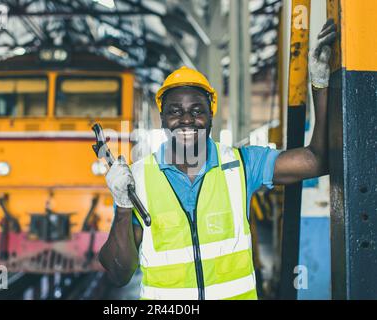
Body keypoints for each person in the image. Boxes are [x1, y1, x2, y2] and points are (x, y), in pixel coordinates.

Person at [99, 20, 337, 300]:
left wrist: (320, 84)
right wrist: (124, 207)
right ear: (162, 117)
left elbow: (316, 160)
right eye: (175, 111)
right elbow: (119, 274)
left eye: (197, 110)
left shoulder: (241, 164)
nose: (186, 119)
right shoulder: (136, 180)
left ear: (211, 115)